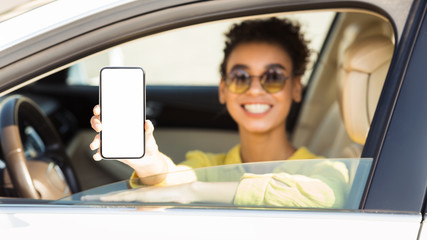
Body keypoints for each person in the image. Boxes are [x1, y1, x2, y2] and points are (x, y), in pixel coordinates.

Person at [89, 17, 349, 208]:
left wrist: (195, 191)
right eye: (240, 77)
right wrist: (148, 162)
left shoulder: (324, 169)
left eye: (273, 77)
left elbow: (327, 195)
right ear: (224, 89)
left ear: (295, 88)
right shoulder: (206, 164)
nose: (255, 90)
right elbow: (173, 179)